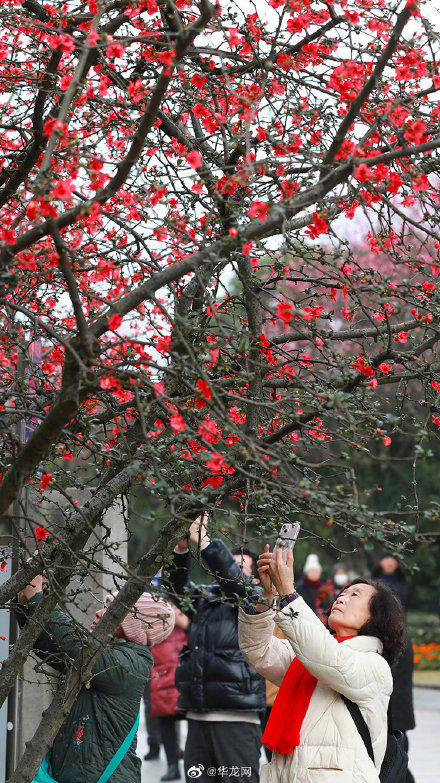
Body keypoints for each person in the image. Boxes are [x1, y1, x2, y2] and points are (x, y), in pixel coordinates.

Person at [238, 544, 406, 783]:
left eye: (354, 595)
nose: (342, 597)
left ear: (375, 615)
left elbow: (328, 659)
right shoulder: (308, 656)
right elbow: (257, 650)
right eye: (343, 593)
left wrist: (287, 591)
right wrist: (268, 595)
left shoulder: (374, 666)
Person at [15, 575, 175, 783]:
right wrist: (25, 605)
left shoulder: (130, 663)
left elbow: (74, 646)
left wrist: (38, 597)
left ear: (133, 626)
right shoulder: (111, 655)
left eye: (110, 610)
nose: (99, 613)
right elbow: (52, 648)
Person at [166, 515, 266, 783]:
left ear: (254, 579)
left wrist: (206, 542)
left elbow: (235, 582)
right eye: (230, 564)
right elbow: (176, 588)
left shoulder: (255, 599)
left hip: (236, 717)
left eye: (241, 567)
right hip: (198, 714)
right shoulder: (206, 599)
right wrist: (182, 548)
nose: (232, 569)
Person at [149, 603, 189, 781]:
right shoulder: (153, 613)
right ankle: (173, 765)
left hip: (184, 673)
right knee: (166, 721)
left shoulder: (186, 606)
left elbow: (195, 630)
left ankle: (190, 763)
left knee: (194, 720)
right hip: (163, 673)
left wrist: (181, 621)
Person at [296, 553, 332, 619]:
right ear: (306, 573)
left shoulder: (325, 587)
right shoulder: (299, 588)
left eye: (316, 571)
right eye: (311, 571)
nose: (313, 573)